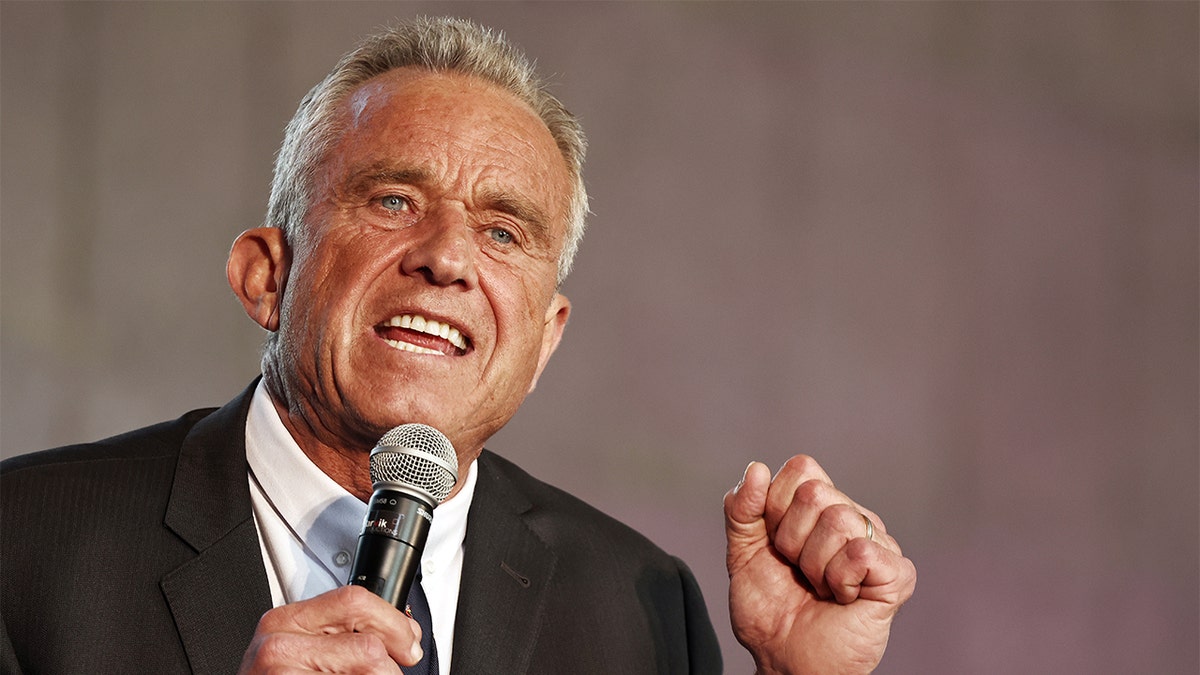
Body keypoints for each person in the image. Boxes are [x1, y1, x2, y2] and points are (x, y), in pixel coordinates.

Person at [1, 17, 915, 674]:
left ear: (545, 339)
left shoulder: (640, 606)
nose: (446, 258)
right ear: (266, 277)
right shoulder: (24, 545)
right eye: (393, 201)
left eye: (505, 232)